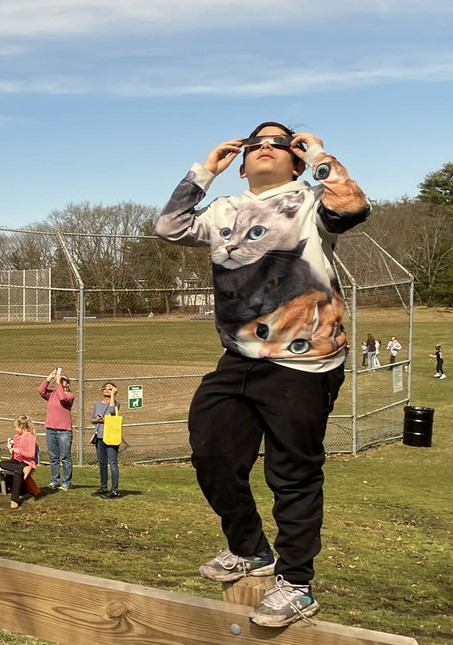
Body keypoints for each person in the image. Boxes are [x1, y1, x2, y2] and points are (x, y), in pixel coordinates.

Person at [154, 121, 369, 627]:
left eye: (280, 143)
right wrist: (204, 171)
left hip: (304, 361)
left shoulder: (309, 200)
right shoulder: (224, 210)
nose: (266, 149)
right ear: (243, 159)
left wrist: (317, 153)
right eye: (257, 143)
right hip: (240, 357)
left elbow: (352, 207)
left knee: (291, 474)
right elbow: (169, 227)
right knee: (211, 450)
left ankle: (296, 584)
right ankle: (250, 548)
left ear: (294, 160)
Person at [39, 368, 75, 491]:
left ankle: (66, 482)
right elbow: (41, 391)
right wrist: (49, 378)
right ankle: (54, 481)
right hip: (51, 430)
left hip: (64, 431)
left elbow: (62, 398)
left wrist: (58, 382)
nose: (60, 381)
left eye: (64, 380)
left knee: (65, 457)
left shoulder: (69, 395)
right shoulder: (52, 395)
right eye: (60, 379)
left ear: (67, 384)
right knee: (53, 457)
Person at [91, 382, 121, 499]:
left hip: (111, 437)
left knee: (112, 463)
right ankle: (103, 487)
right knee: (102, 463)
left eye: (109, 389)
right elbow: (92, 419)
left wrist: (113, 395)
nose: (106, 390)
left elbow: (112, 411)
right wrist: (97, 420)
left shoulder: (116, 404)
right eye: (104, 388)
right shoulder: (97, 404)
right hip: (99, 436)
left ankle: (114, 491)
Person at [0, 415, 37, 509]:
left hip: (27, 462)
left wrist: (19, 451)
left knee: (17, 473)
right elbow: (15, 453)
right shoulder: (16, 436)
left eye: (16, 427)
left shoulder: (30, 438)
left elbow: (31, 454)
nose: (15, 429)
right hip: (18, 461)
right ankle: (23, 469)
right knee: (2, 463)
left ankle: (14, 500)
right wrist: (12, 450)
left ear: (22, 427)